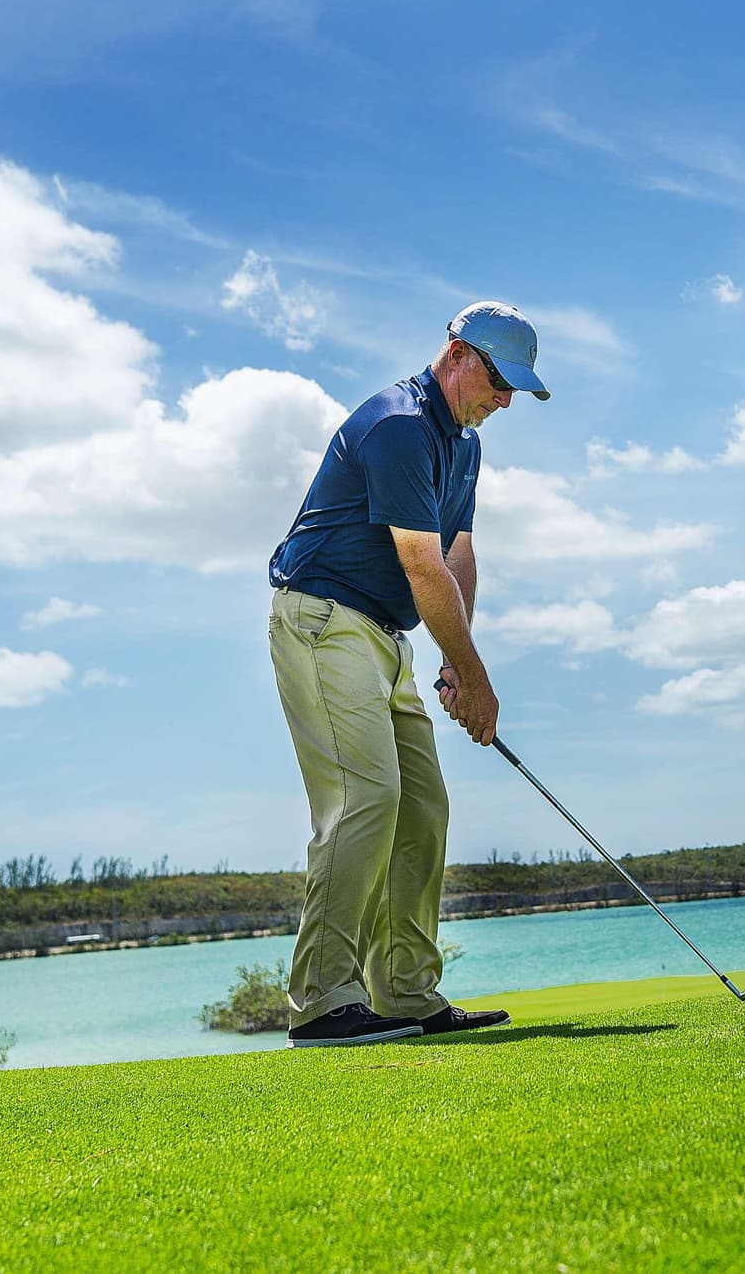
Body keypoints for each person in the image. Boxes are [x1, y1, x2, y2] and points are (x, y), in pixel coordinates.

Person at [266, 301, 550, 1047]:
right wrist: (474, 676)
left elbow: (458, 554)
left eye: (515, 386)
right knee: (366, 795)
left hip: (385, 637)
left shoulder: (464, 447)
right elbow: (419, 562)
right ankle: (324, 1000)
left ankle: (403, 993)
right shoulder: (398, 424)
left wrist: (462, 660)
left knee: (423, 806)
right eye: (498, 379)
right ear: (458, 355)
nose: (506, 399)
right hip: (322, 619)